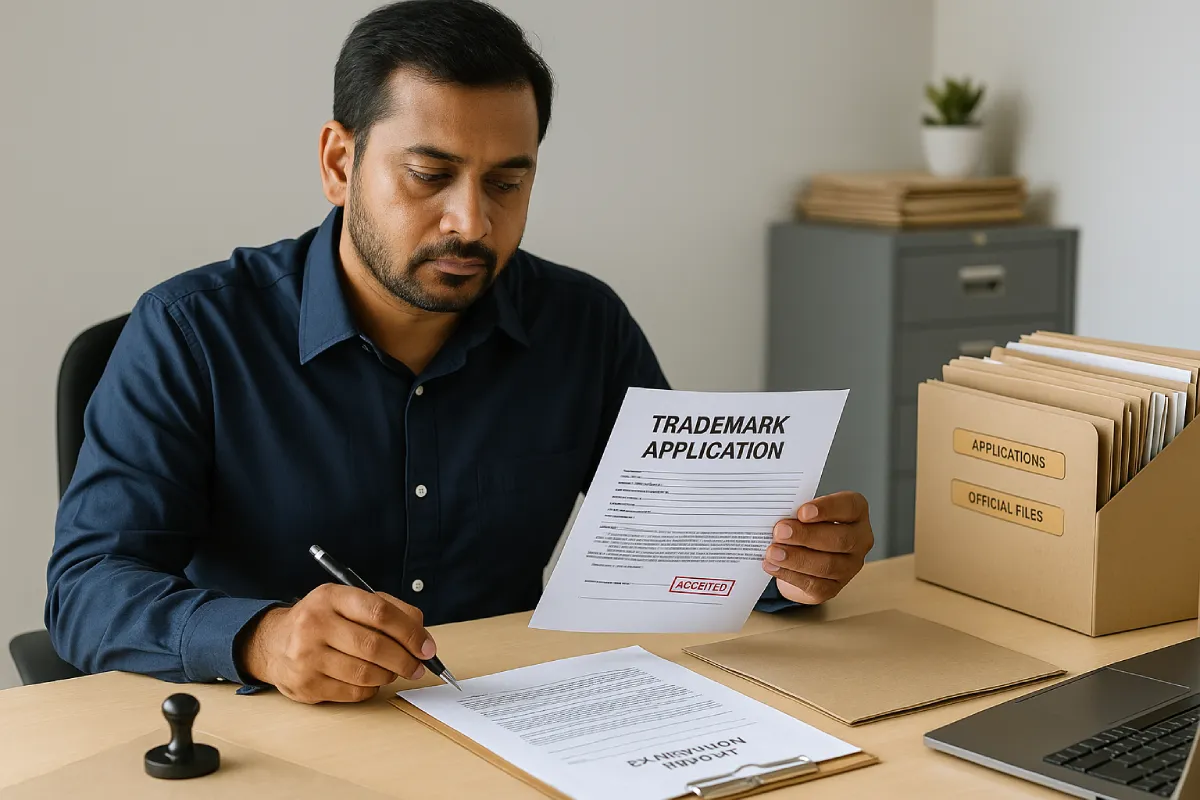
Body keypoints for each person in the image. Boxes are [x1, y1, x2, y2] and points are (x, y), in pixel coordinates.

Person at [46, 0, 874, 705]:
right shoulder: (191, 333)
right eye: (429, 175)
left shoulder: (582, 323)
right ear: (341, 162)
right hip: (277, 740)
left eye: (507, 183)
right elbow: (85, 591)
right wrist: (261, 638)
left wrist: (787, 566)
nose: (472, 222)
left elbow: (686, 545)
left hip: (523, 717)